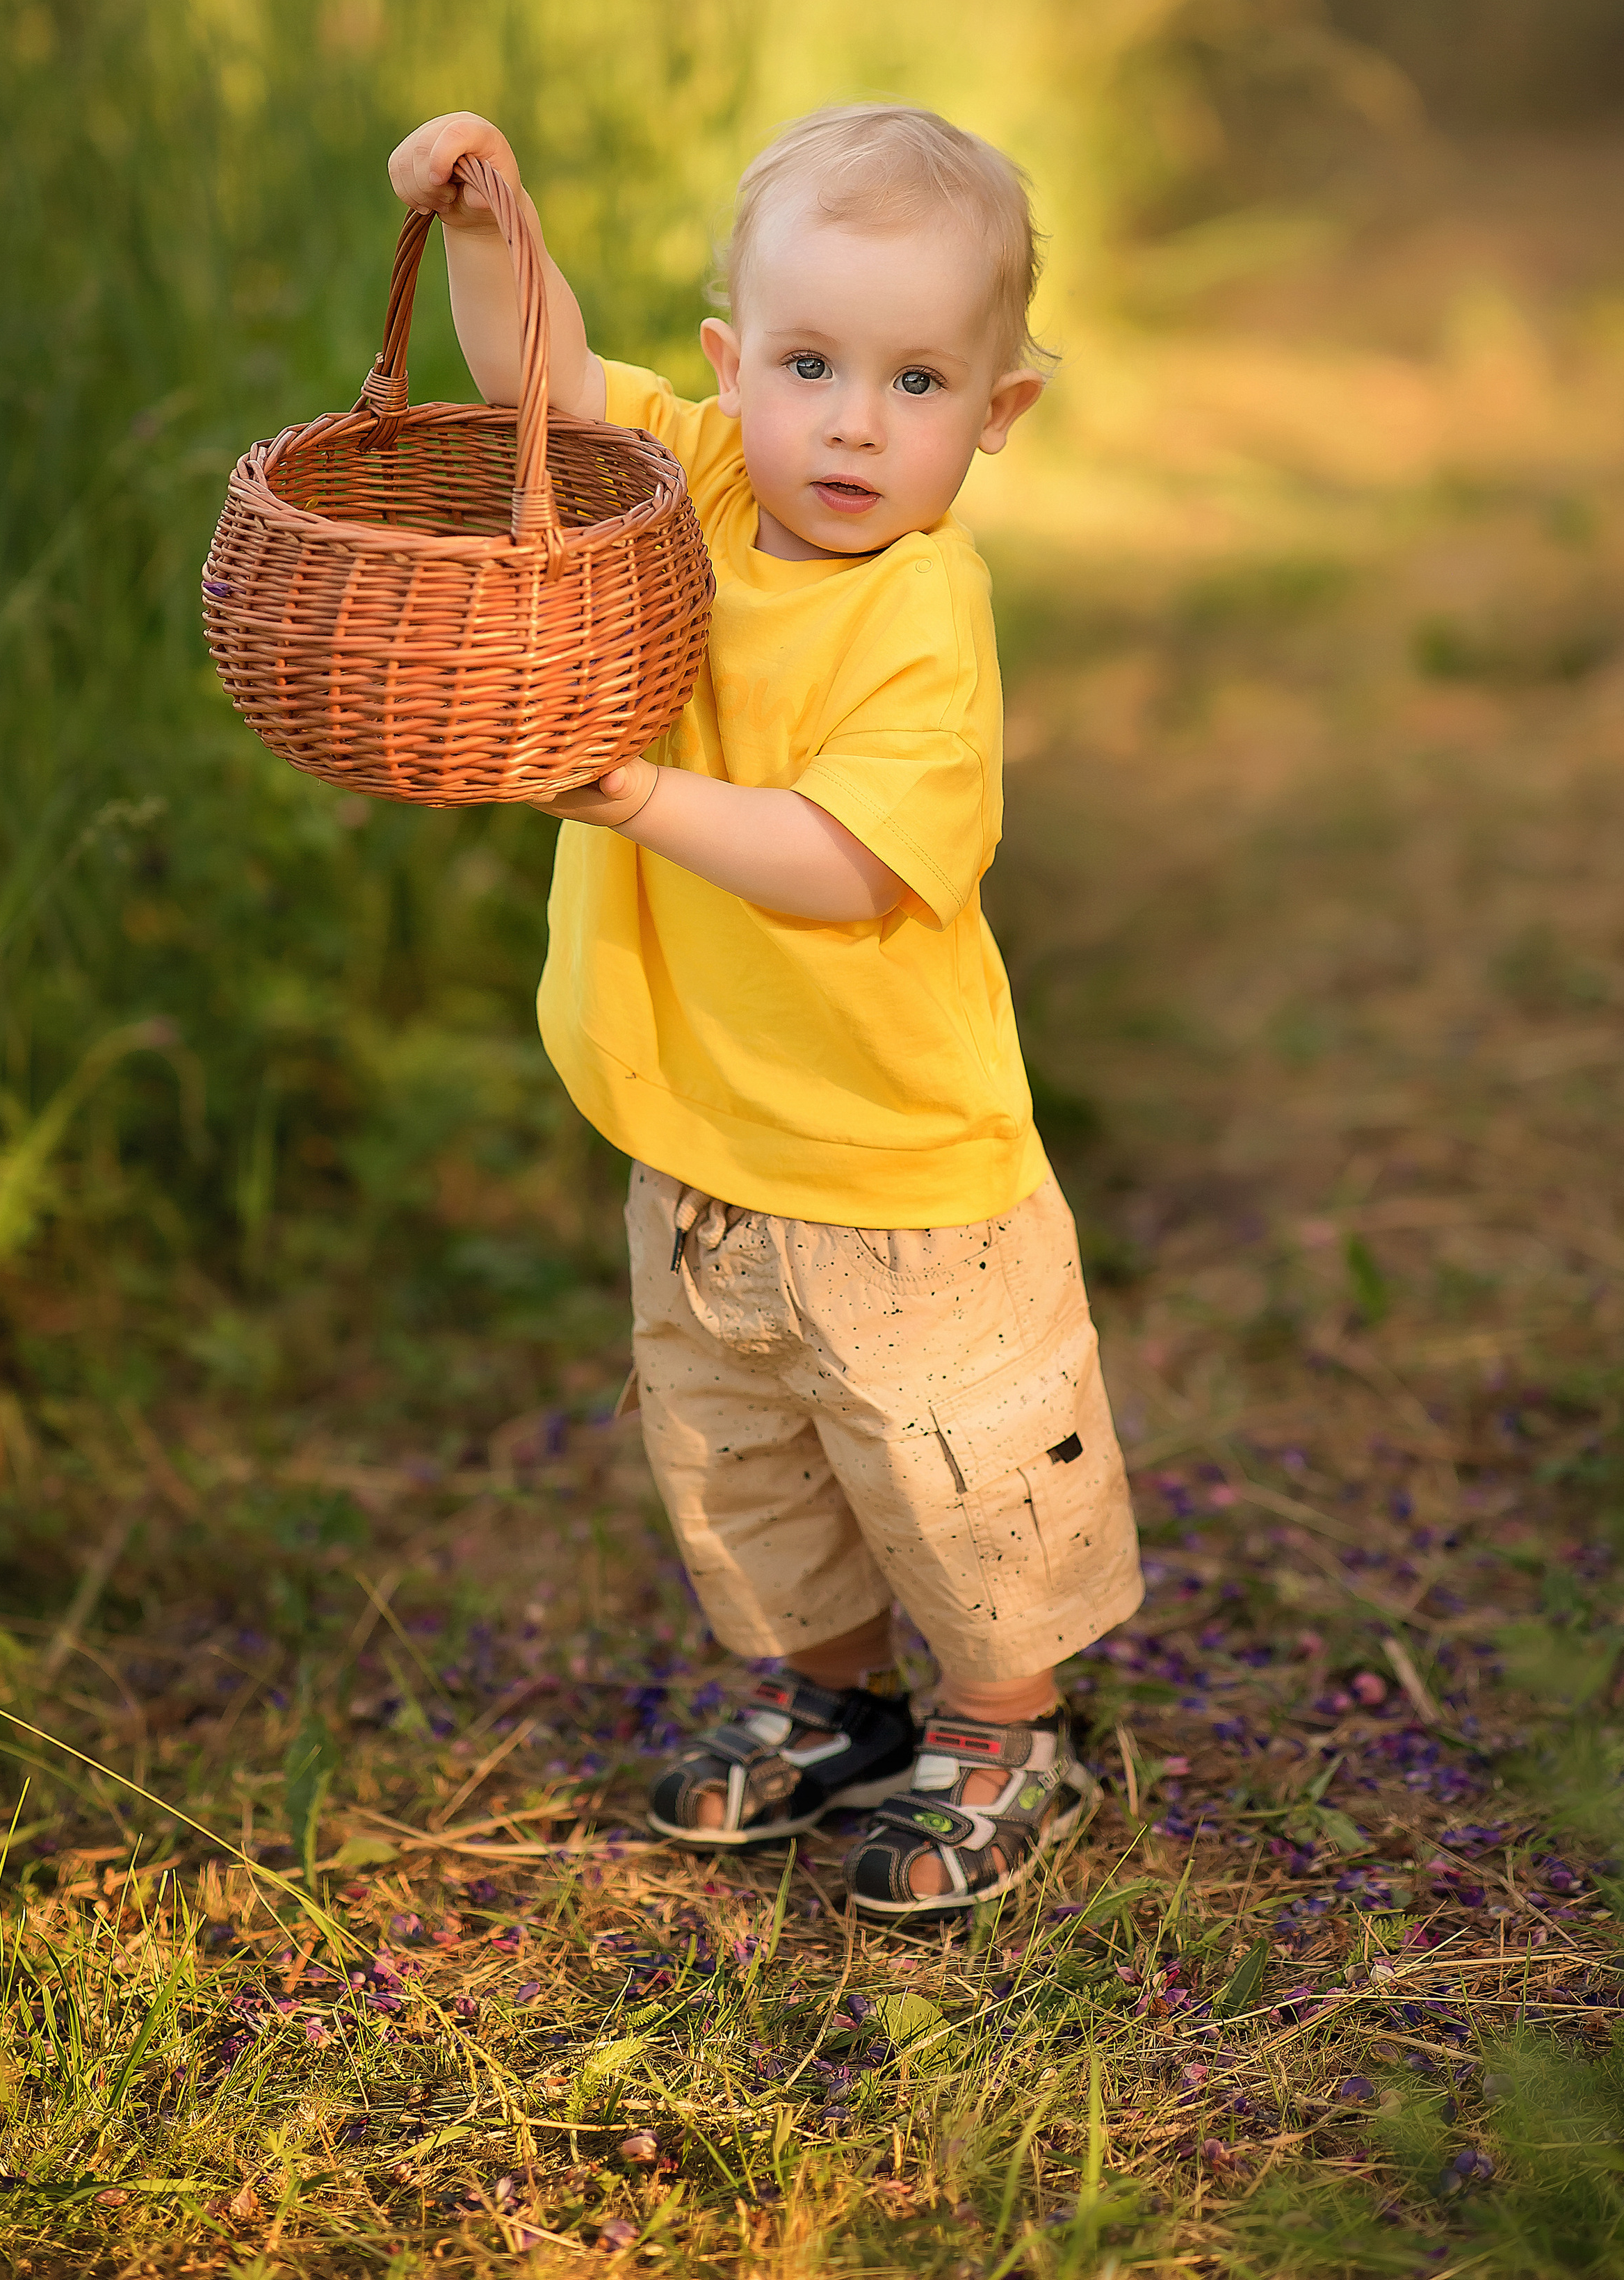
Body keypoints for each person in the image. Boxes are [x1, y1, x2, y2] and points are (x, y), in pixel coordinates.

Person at [387, 101, 1142, 1918]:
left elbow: (840, 860)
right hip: (703, 1118)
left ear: (995, 412)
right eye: (810, 365)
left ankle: (1004, 1725)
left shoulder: (920, 618)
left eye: (916, 380)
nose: (855, 423)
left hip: (894, 1164)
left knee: (948, 1466)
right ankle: (835, 1704)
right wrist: (490, 227)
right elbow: (542, 384)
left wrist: (636, 794)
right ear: (734, 372)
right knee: (749, 1461)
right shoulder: (700, 476)